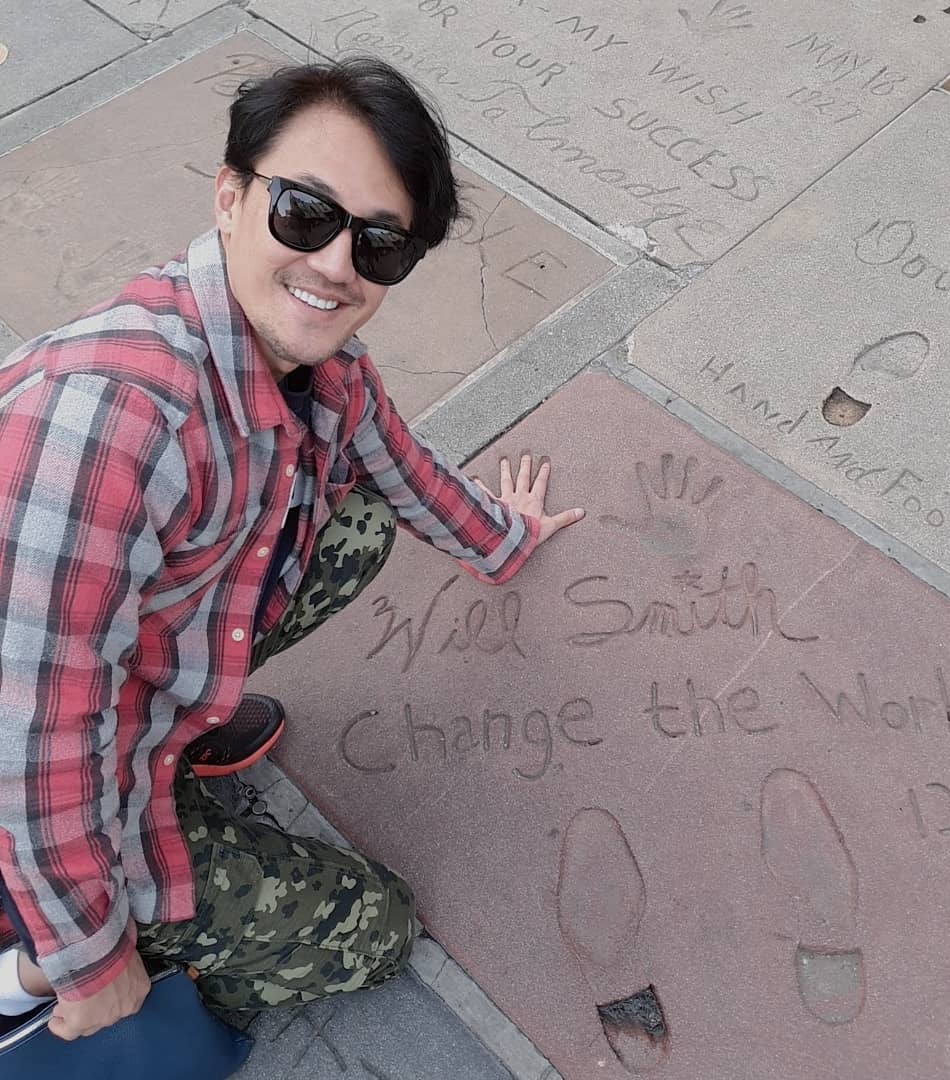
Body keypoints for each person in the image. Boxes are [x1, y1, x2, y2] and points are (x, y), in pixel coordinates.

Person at [0, 58, 583, 1041]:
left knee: (353, 528)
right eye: (306, 213)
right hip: (48, 779)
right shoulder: (109, 424)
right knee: (377, 932)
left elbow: (401, 468)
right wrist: (87, 959)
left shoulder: (318, 363)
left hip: (127, 697)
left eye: (380, 243)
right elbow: (30, 740)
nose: (338, 265)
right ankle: (51, 965)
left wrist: (505, 539)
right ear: (230, 196)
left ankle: (179, 747)